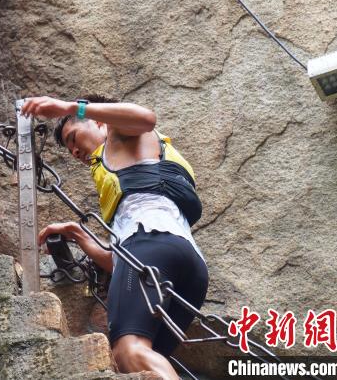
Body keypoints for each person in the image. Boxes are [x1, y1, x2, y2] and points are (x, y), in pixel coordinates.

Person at [21, 95, 208, 380]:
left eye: (73, 136)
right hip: (186, 263)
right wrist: (79, 234)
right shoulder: (132, 165)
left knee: (128, 351)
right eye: (69, 147)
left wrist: (71, 107)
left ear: (98, 121)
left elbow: (146, 116)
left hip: (150, 246)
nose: (74, 151)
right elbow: (122, 262)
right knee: (140, 363)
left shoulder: (119, 134)